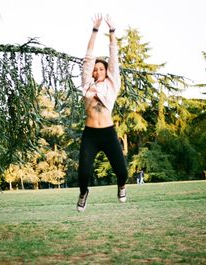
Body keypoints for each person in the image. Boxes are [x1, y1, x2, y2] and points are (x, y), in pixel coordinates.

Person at [76, 14, 128, 212]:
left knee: (122, 172)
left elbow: (113, 56)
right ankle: (83, 193)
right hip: (90, 134)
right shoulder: (87, 84)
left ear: (107, 71)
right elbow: (89, 56)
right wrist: (95, 30)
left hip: (108, 133)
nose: (97, 71)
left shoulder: (112, 84)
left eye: (101, 68)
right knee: (83, 173)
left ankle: (121, 187)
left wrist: (112, 32)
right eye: (95, 69)